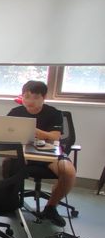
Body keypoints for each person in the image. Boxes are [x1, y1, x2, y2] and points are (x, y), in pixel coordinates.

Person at [7, 80, 76, 227]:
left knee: (68, 172)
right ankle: (10, 200)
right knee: (8, 161)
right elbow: (5, 132)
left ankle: (51, 207)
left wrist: (31, 129)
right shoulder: (15, 112)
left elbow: (54, 137)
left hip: (47, 153)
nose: (30, 101)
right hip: (24, 153)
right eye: (26, 97)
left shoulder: (54, 113)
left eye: (35, 97)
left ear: (44, 97)